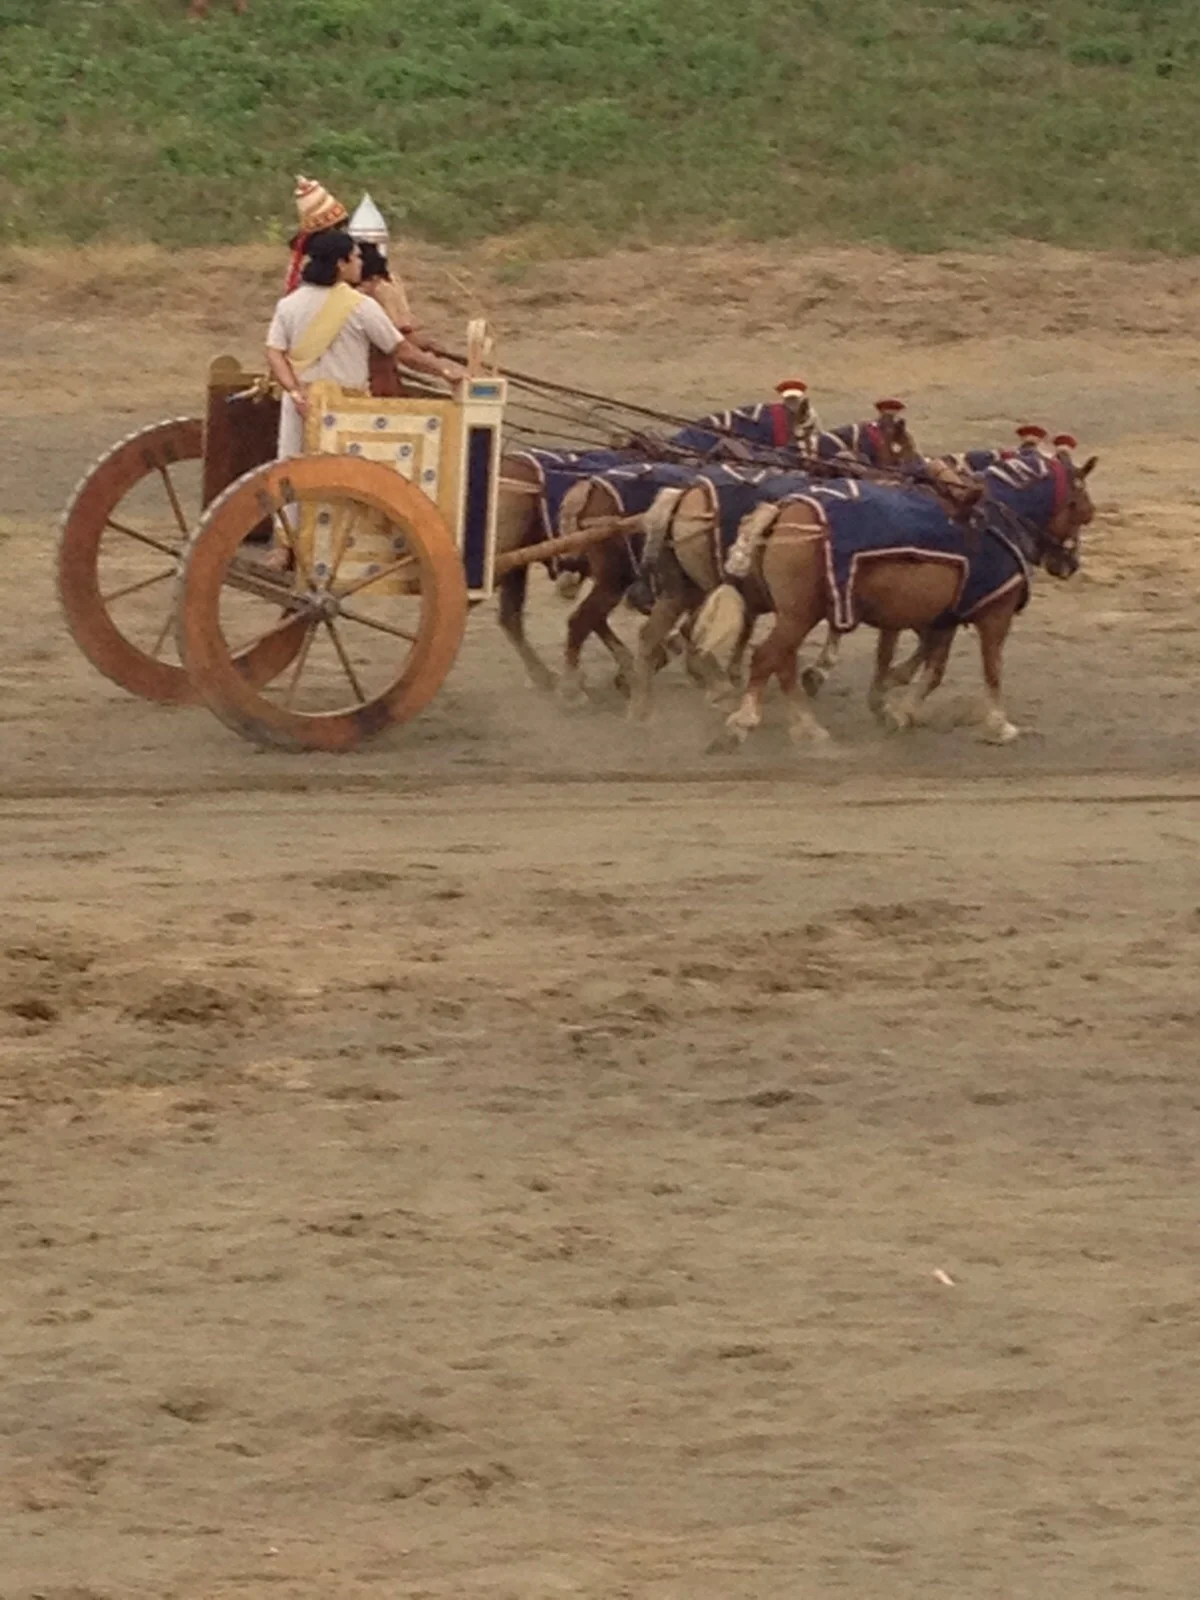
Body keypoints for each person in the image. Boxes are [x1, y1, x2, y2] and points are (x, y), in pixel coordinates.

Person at [265, 230, 462, 461]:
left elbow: (274, 353)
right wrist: (445, 371)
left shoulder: (288, 305)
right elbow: (402, 351)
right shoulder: (360, 306)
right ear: (341, 263)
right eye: (356, 257)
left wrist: (294, 391)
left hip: (300, 405)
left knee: (294, 470)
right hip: (346, 408)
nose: (360, 263)